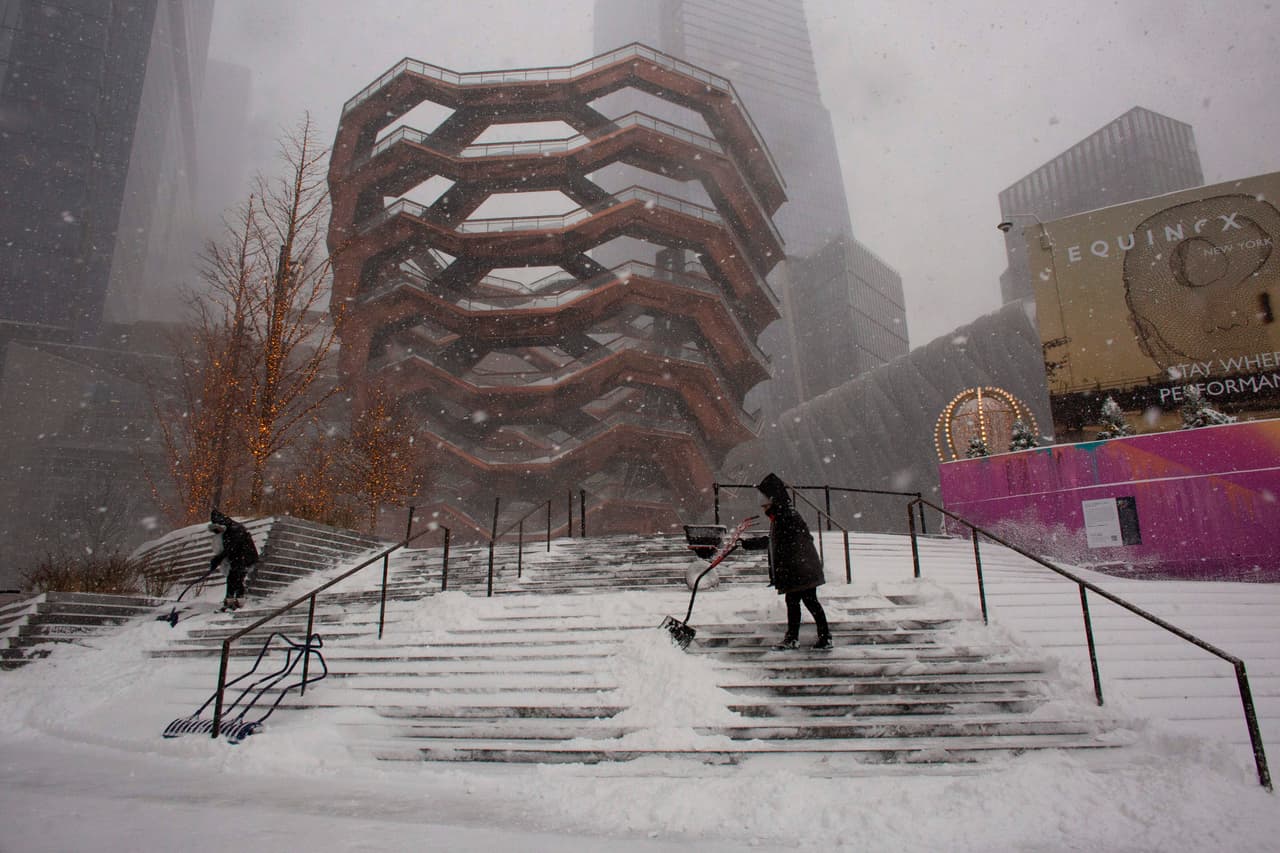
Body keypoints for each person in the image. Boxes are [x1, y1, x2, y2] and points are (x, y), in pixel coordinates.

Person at [743, 473, 832, 650]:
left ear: (773, 498)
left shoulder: (785, 516)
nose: (763, 504)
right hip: (802, 568)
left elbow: (785, 542)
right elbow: (778, 540)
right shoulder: (784, 514)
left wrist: (757, 544)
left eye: (765, 499)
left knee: (801, 602)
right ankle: (817, 637)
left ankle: (803, 637)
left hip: (800, 569)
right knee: (805, 602)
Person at [208, 509, 259, 611]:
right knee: (234, 577)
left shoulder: (235, 529)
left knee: (236, 576)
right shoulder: (228, 530)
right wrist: (217, 559)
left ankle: (236, 601)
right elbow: (228, 549)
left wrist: (218, 558)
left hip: (245, 557)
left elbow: (231, 547)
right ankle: (232, 601)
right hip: (238, 558)